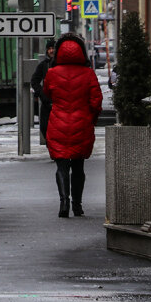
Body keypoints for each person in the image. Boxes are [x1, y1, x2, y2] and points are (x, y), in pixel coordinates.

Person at [41, 32, 103, 218]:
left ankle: (63, 203)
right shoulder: (88, 73)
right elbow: (96, 101)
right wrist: (92, 118)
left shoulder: (52, 73)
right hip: (81, 123)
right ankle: (77, 205)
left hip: (58, 122)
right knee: (78, 166)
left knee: (61, 165)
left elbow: (47, 94)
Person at [30, 39, 56, 142]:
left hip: (61, 102)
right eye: (49, 49)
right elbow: (34, 80)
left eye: (53, 48)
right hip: (47, 102)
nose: (51, 51)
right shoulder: (44, 65)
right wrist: (42, 94)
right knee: (45, 126)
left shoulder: (62, 64)